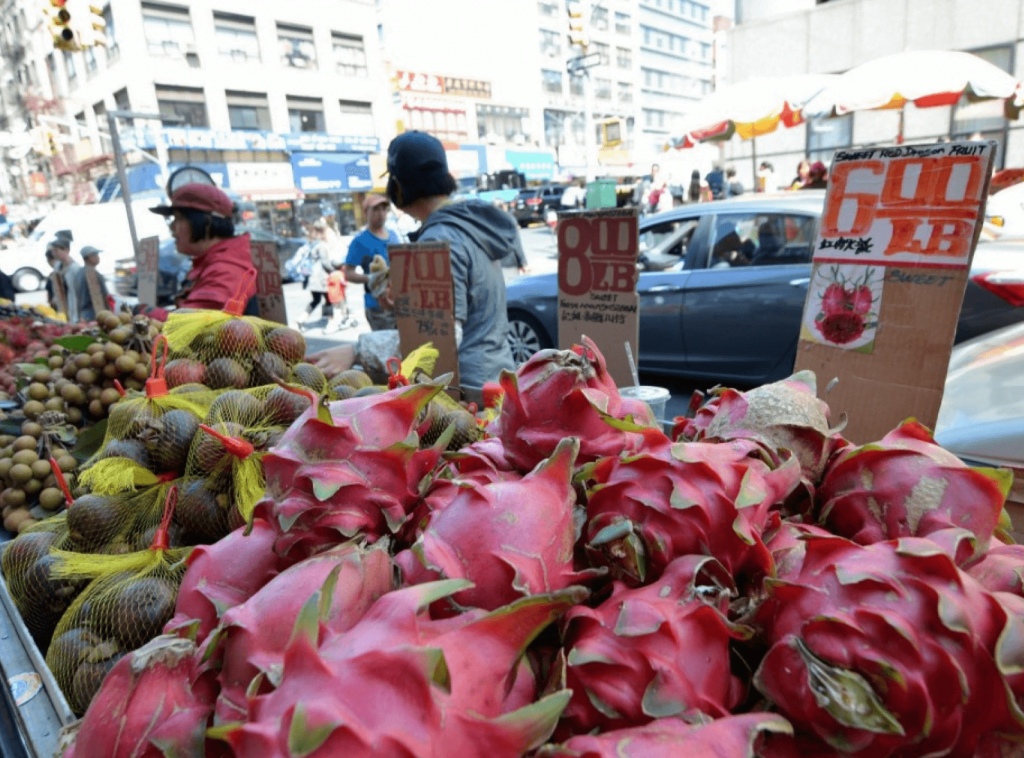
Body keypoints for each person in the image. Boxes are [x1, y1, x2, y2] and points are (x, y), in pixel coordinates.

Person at [310, 130, 519, 389]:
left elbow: (438, 339)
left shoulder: (439, 240)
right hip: (496, 375)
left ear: (397, 186)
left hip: (467, 388)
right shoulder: (470, 227)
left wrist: (357, 351)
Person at [144, 183, 257, 320]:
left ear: (206, 223)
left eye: (179, 218)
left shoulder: (226, 269)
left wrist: (143, 311)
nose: (172, 226)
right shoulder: (211, 260)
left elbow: (190, 325)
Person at [345, 194, 400, 331]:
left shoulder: (393, 235)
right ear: (366, 213)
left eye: (383, 209)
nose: (380, 214)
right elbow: (348, 273)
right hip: (377, 306)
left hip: (398, 301)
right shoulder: (360, 241)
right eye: (375, 209)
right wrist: (370, 278)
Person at [73, 245, 111, 323]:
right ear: (88, 258)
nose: (98, 257)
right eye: (95, 255)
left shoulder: (80, 273)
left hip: (84, 314)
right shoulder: (91, 273)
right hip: (94, 314)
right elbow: (104, 296)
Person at [48, 236, 81, 322]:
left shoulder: (75, 268)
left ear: (66, 250)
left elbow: (77, 294)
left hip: (74, 310)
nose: (54, 253)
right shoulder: (58, 266)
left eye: (56, 250)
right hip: (62, 309)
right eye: (53, 250)